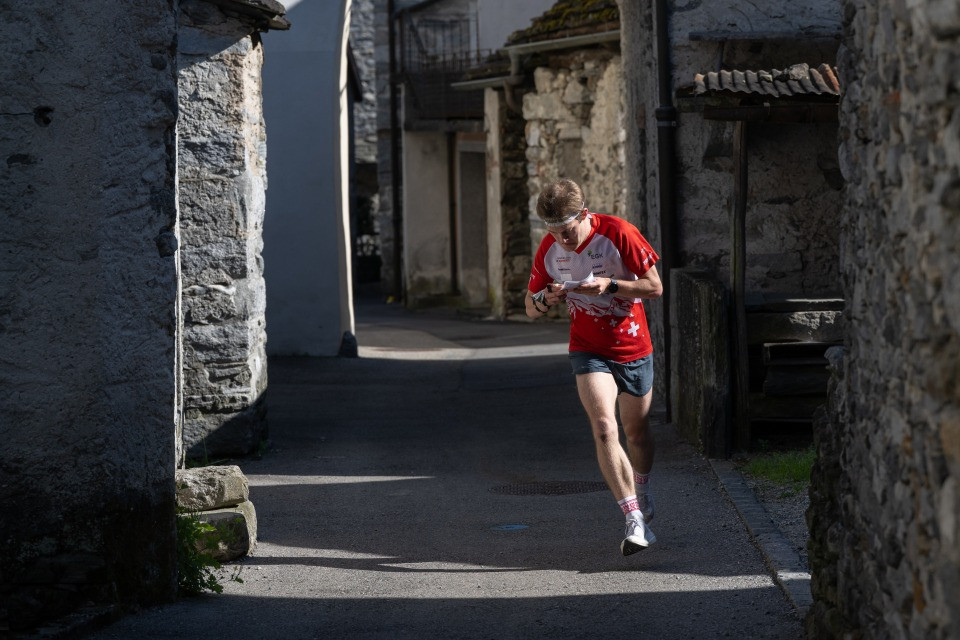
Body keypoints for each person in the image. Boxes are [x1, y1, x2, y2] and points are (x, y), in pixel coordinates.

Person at [525, 179, 663, 556]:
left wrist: (610, 285)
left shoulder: (619, 233)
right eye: (553, 232)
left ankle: (643, 490)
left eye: (568, 231)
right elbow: (529, 307)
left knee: (637, 433)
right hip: (587, 349)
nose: (562, 240)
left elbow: (654, 287)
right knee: (604, 428)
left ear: (584, 215)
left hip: (632, 347)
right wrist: (546, 298)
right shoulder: (550, 249)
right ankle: (633, 519)